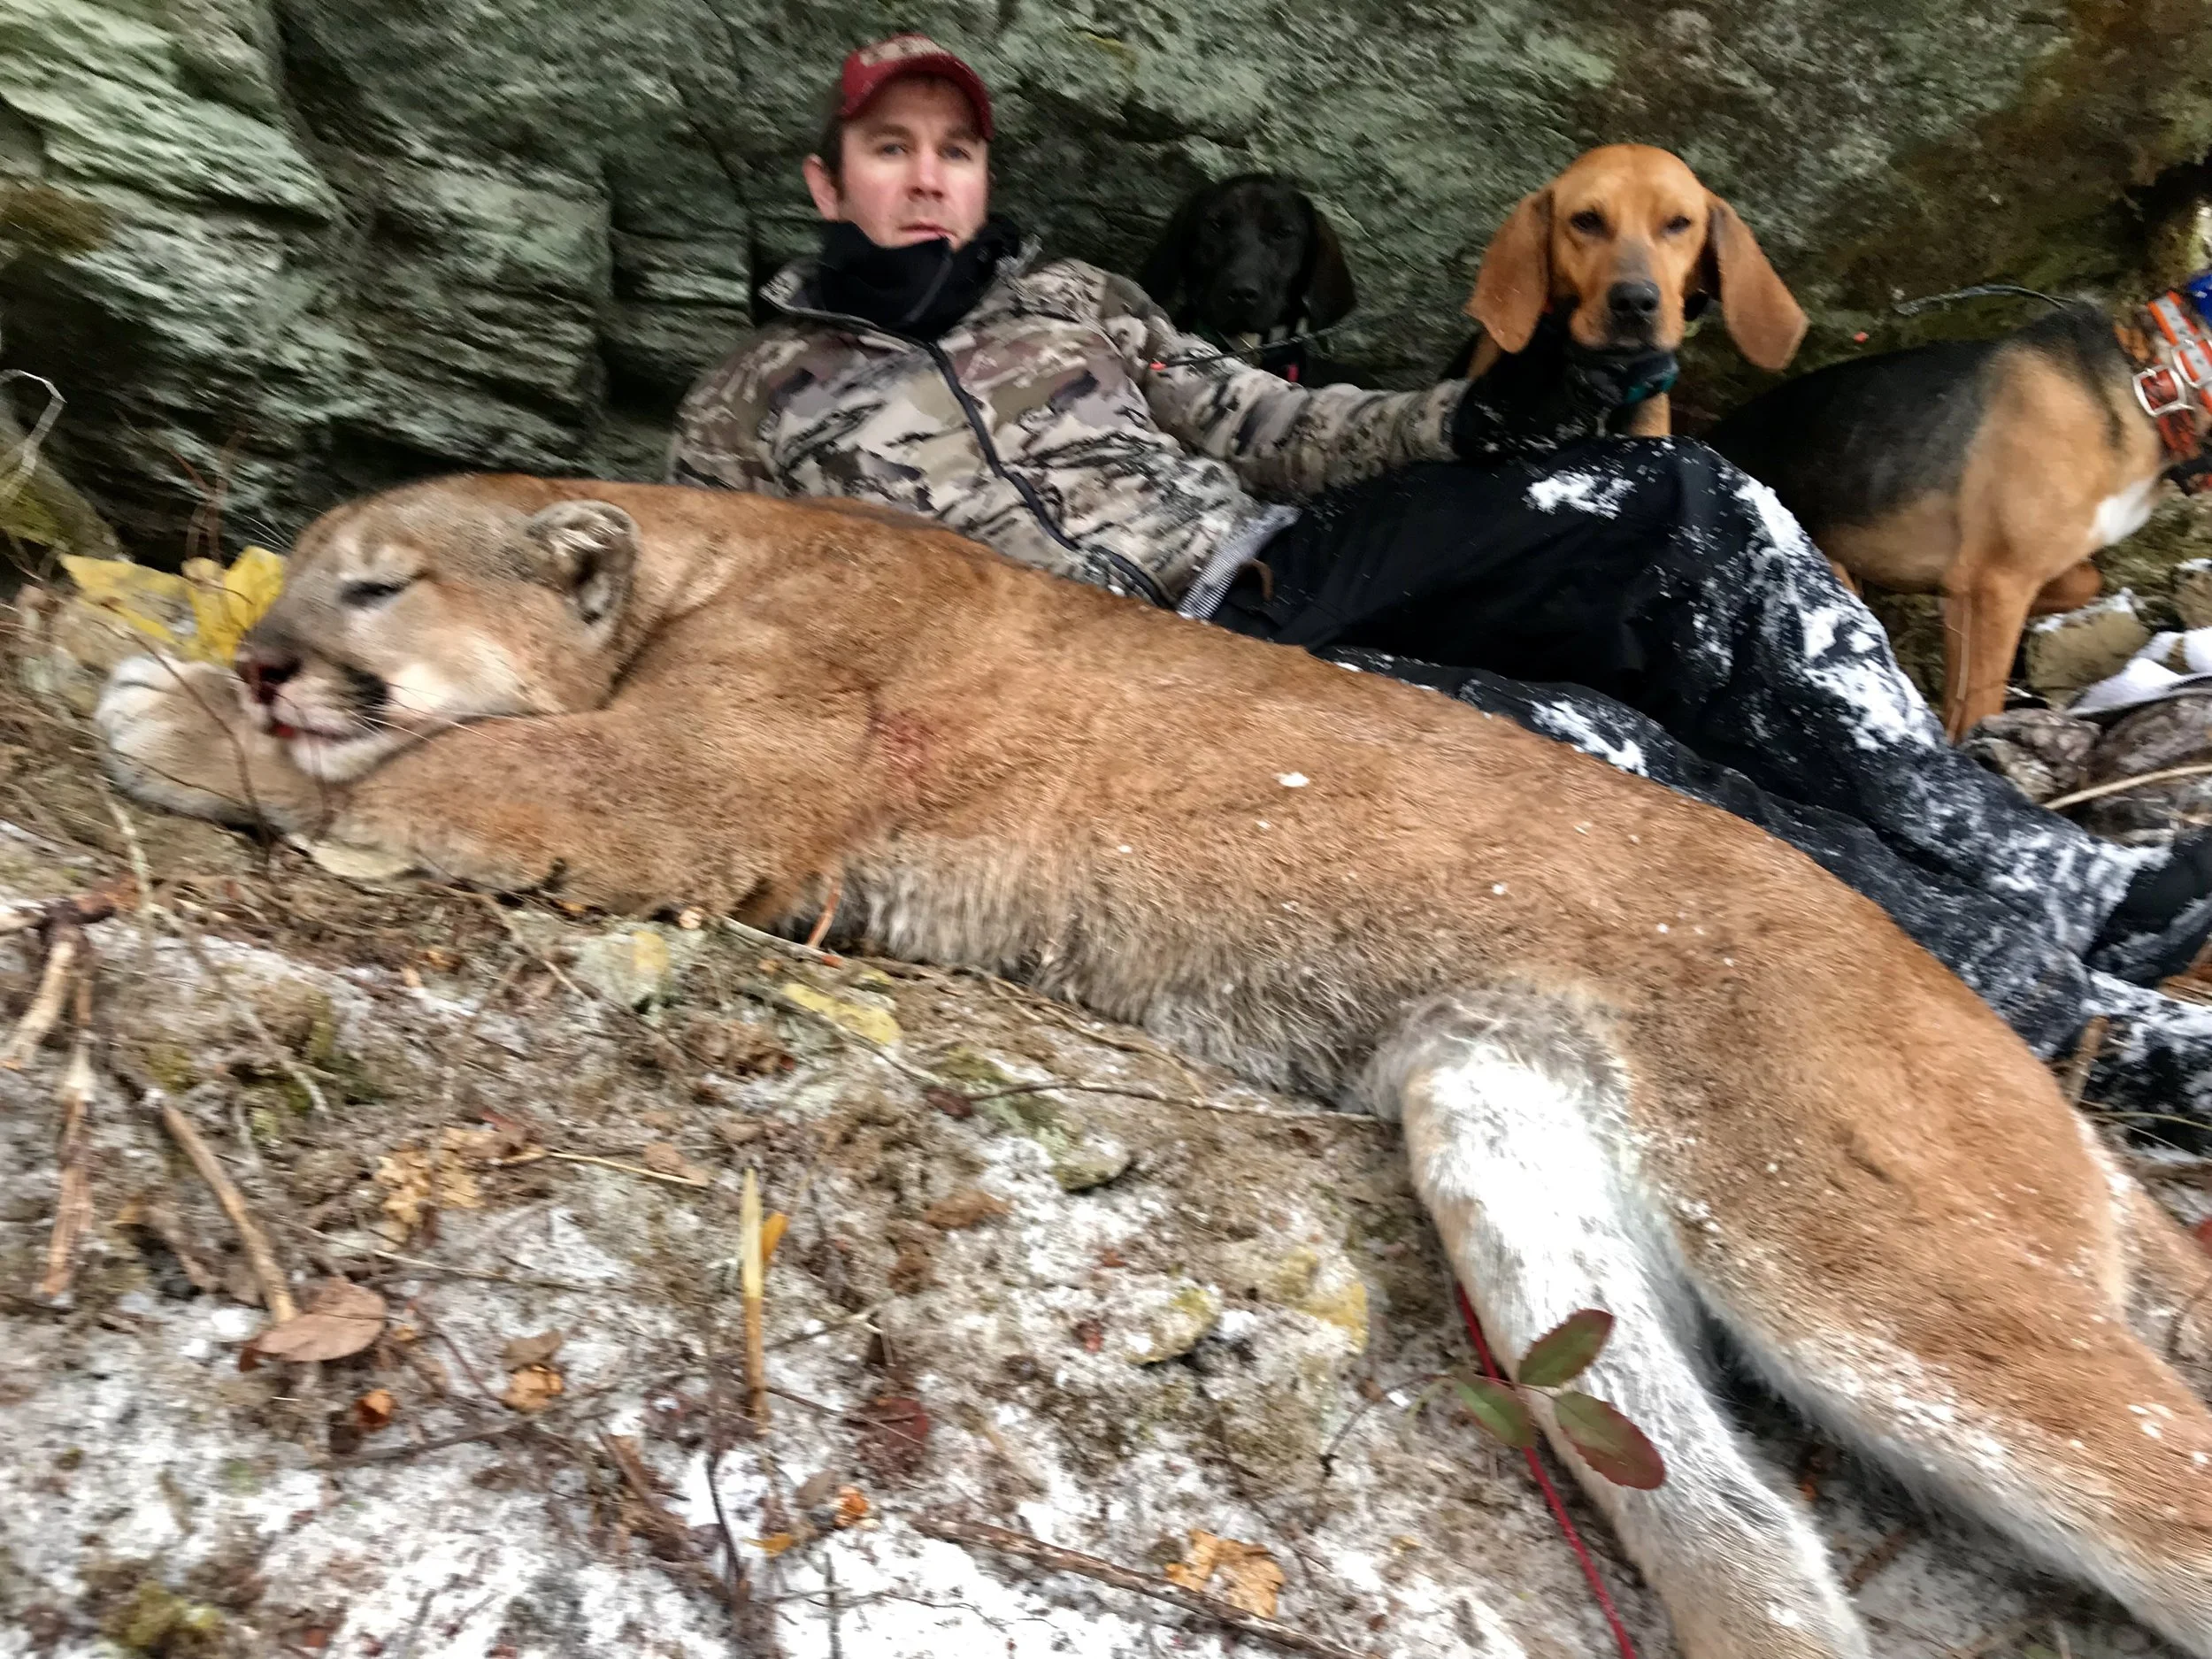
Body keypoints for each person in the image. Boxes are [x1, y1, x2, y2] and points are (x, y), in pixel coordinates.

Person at [669, 33, 2212, 1130]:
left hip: (1279, 560)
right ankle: (2043, 1005)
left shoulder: (1073, 299)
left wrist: (1472, 421)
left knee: (1685, 498)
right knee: (1595, 755)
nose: (928, 178)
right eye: (891, 150)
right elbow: (722, 614)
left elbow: (1270, 425)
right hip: (1131, 687)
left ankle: (2039, 869)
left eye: (953, 150)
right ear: (828, 182)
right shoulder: (748, 407)